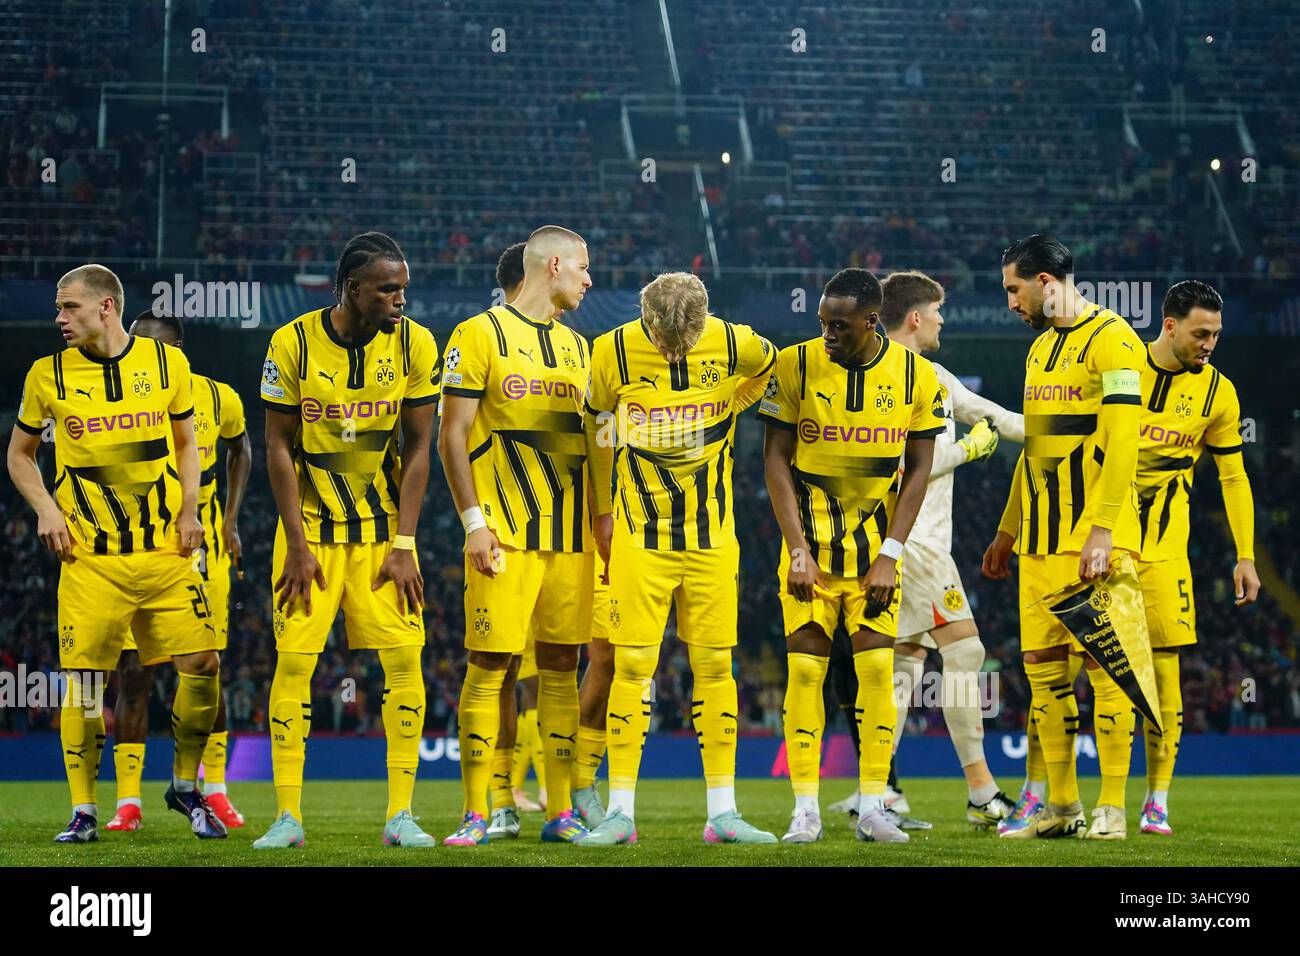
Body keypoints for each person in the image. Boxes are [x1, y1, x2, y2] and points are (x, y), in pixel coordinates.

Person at [7, 264, 226, 841]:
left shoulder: (166, 364)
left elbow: (185, 443)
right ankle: (83, 810)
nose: (59, 318)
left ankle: (183, 785)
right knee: (83, 685)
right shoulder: (46, 374)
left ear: (106, 307)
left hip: (164, 553)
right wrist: (46, 509)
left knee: (203, 668)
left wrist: (188, 511)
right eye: (58, 308)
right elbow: (20, 455)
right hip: (90, 560)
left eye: (69, 307)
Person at [254, 232, 441, 849]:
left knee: (405, 662)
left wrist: (406, 544)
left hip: (382, 537)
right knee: (294, 664)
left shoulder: (415, 344)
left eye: (404, 288)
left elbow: (419, 450)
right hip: (310, 535)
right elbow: (277, 447)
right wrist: (297, 544)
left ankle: (400, 815)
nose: (400, 299)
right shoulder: (293, 342)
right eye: (388, 288)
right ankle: (287, 817)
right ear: (352, 288)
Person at [579, 271, 778, 846]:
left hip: (713, 538)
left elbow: (771, 370)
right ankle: (620, 812)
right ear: (645, 320)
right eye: (662, 340)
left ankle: (723, 813)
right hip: (639, 537)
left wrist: (731, 405)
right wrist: (601, 511)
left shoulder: (735, 341)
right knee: (632, 668)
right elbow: (597, 427)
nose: (672, 349)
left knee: (716, 670)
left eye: (682, 341)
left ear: (702, 323)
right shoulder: (610, 349)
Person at [759, 268, 944, 844]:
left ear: (871, 320)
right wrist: (796, 550)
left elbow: (918, 470)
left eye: (838, 325)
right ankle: (806, 810)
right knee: (806, 673)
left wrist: (890, 553)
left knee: (875, 673)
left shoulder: (916, 376)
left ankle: (872, 807)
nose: (827, 333)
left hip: (873, 557)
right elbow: (775, 461)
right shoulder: (794, 364)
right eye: (822, 322)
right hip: (809, 554)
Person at [983, 235, 1147, 841]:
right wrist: (1007, 528)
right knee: (1044, 674)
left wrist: (1102, 530)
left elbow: (1125, 442)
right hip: (1040, 545)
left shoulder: (1115, 340)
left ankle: (1111, 807)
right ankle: (1061, 807)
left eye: (1014, 289)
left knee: (1107, 672)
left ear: (1048, 282)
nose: (1010, 303)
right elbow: (1035, 451)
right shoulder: (1038, 354)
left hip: (1096, 538)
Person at [439, 225, 595, 846]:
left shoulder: (580, 349)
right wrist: (474, 523)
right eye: (583, 268)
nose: (589, 280)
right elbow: (453, 435)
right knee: (489, 666)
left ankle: (559, 814)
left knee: (560, 669)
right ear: (552, 265)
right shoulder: (478, 333)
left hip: (570, 539)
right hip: (503, 534)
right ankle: (478, 811)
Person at [105, 311, 252, 833]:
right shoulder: (116, 399)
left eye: (152, 345)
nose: (139, 351)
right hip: (134, 553)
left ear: (177, 351)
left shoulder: (219, 398)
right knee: (134, 674)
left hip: (200, 555)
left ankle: (214, 791)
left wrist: (231, 520)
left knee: (206, 671)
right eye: (135, 342)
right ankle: (128, 801)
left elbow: (241, 448)